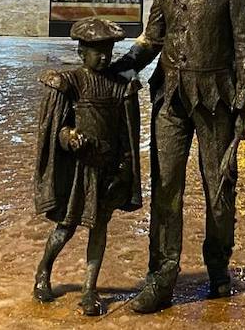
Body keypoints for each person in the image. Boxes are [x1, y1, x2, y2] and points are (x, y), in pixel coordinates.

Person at [110, 0, 245, 312]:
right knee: (166, 187)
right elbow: (151, 39)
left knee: (219, 188)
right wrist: (120, 67)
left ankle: (218, 266)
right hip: (171, 96)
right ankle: (161, 275)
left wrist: (244, 104)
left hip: (217, 98)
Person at [33, 17, 142, 316]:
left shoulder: (122, 88)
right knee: (65, 228)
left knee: (99, 229)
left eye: (107, 50)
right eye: (96, 50)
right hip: (79, 171)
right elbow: (57, 128)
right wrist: (69, 137)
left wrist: (124, 170)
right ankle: (43, 271)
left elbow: (127, 136)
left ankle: (89, 289)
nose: (103, 56)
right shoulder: (70, 83)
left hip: (106, 171)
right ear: (82, 53)